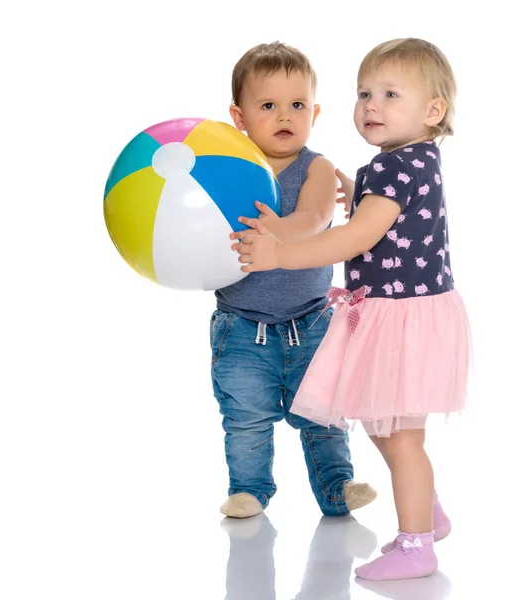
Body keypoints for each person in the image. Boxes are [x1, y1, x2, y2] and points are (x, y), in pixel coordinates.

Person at [232, 38, 471, 580]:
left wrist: (281, 253)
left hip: (400, 317)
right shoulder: (411, 160)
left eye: (390, 94)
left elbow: (353, 238)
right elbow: (390, 208)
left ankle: (417, 546)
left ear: (432, 111)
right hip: (413, 312)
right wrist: (356, 185)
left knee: (402, 435)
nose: (371, 106)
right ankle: (425, 507)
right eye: (365, 93)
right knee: (381, 421)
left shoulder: (391, 170)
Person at [211, 41, 377, 519]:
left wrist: (274, 235)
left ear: (315, 112)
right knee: (245, 419)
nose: (285, 115)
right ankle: (249, 490)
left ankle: (338, 487)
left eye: (297, 105)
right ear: (238, 117)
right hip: (241, 325)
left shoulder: (317, 167)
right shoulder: (227, 167)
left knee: (324, 415)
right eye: (268, 105)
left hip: (312, 323)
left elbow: (314, 217)